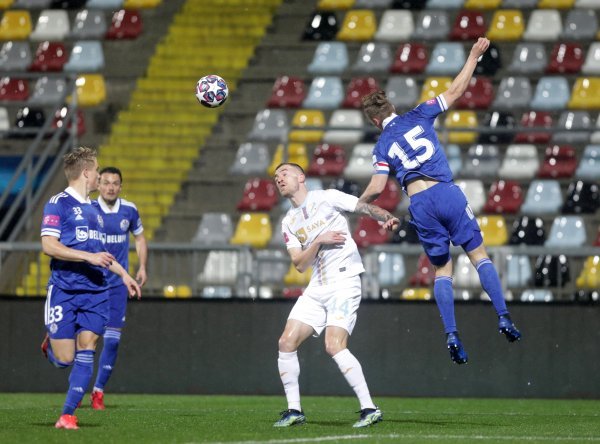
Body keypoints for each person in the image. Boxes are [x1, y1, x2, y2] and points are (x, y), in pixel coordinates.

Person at [359, 37, 522, 365]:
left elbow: (377, 187)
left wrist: (354, 203)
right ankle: (503, 316)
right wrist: (474, 56)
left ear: (376, 121)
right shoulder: (419, 114)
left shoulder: (381, 147)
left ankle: (451, 333)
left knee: (442, 270)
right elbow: (456, 91)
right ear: (391, 109)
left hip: (420, 204)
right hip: (445, 192)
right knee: (479, 257)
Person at [272, 162, 398, 428]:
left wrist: (385, 216)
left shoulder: (327, 197)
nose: (279, 179)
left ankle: (369, 408)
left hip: (344, 281)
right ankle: (294, 410)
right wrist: (318, 241)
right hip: (317, 287)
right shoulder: (289, 221)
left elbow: (362, 207)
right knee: (286, 342)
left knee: (334, 345)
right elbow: (299, 264)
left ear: (301, 177)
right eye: (275, 177)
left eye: (284, 173)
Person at [40, 147, 141, 430]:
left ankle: (68, 414)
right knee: (64, 359)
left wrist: (124, 274)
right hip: (64, 290)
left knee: (87, 349)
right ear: (86, 172)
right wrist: (87, 257)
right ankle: (52, 344)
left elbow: (103, 252)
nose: (99, 175)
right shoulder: (57, 203)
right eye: (96, 170)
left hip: (96, 292)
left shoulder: (94, 210)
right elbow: (49, 245)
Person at [88, 166, 148, 410]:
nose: (111, 187)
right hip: (91, 283)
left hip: (117, 286)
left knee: (112, 341)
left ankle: (98, 392)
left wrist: (142, 266)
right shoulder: (89, 210)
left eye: (115, 183)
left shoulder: (129, 209)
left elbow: (140, 238)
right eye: (106, 182)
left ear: (120, 186)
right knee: (88, 340)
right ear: (99, 185)